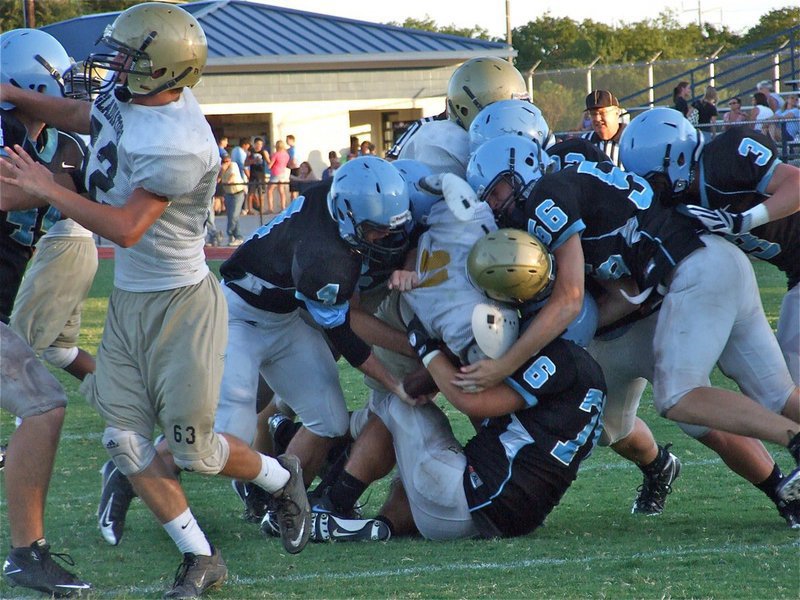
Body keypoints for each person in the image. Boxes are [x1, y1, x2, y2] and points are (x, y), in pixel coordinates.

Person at [0, 4, 311, 597]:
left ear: (163, 72)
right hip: (129, 300)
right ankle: (201, 557)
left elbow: (125, 228)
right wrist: (12, 91)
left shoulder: (181, 143)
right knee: (123, 439)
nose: (111, 64)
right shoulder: (139, 95)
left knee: (197, 451)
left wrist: (42, 187)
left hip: (182, 304)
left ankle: (279, 474)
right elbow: (79, 113)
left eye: (126, 57)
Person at [461, 132, 800, 508]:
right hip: (714, 265)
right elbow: (623, 291)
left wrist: (507, 362)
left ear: (522, 168)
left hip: (694, 270)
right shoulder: (577, 188)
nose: (495, 204)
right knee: (778, 393)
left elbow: (570, 301)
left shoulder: (547, 194)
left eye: (496, 191)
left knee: (679, 397)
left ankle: (793, 441)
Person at [308, 222, 606, 543]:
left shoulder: (556, 360)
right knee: (414, 476)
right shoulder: (592, 380)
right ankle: (380, 526)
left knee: (395, 402)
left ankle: (333, 503)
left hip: (472, 499)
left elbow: (471, 402)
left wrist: (427, 348)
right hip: (511, 518)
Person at [213, 156, 418, 505]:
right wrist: (395, 383)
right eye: (377, 229)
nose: (387, 236)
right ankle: (151, 464)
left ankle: (282, 506)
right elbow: (347, 341)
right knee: (231, 431)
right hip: (238, 317)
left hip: (284, 318)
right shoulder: (324, 259)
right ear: (347, 217)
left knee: (330, 421)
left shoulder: (339, 199)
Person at [0, 27, 91, 597]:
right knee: (44, 404)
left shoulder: (44, 141)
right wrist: (63, 188)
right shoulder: (8, 129)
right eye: (56, 84)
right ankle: (25, 554)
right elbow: (7, 191)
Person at [580, 89, 626, 167]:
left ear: (617, 112)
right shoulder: (585, 142)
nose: (597, 118)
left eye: (602, 113)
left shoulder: (631, 139)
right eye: (593, 114)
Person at [218, 152, 246, 246]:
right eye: (224, 161)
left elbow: (232, 177)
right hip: (228, 193)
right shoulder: (221, 168)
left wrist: (227, 175)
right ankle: (236, 236)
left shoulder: (233, 165)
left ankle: (230, 232)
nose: (226, 162)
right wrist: (222, 171)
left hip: (237, 193)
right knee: (231, 216)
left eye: (227, 161)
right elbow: (218, 180)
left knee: (234, 215)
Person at [245, 137, 269, 214]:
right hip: (253, 175)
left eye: (260, 144)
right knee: (251, 193)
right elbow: (245, 163)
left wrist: (267, 156)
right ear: (254, 144)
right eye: (257, 144)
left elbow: (269, 162)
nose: (259, 146)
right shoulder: (250, 153)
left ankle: (261, 209)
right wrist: (253, 161)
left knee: (261, 193)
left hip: (261, 175)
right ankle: (250, 209)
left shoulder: (263, 152)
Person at [267, 139, 290, 212]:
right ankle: (283, 207)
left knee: (270, 190)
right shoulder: (286, 155)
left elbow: (270, 165)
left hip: (275, 173)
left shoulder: (276, 154)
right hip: (283, 172)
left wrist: (267, 159)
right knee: (281, 190)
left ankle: (270, 208)